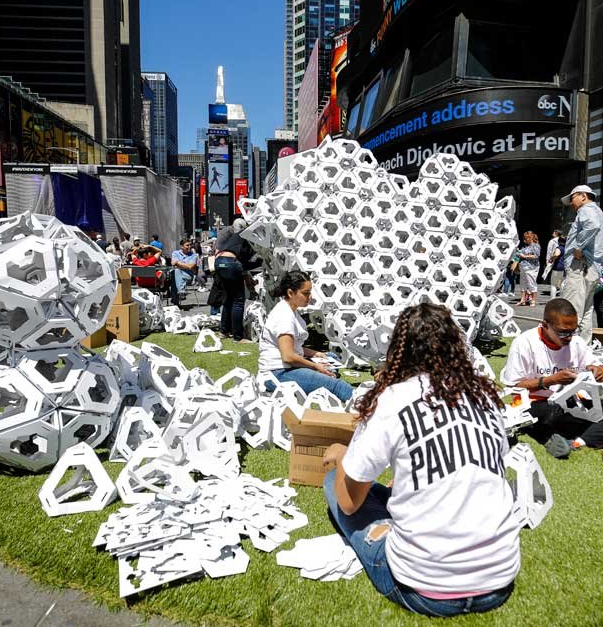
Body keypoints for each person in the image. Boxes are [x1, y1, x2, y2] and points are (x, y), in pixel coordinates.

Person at [321, 302, 520, 616]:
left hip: (422, 588)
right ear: (456, 345)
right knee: (379, 490)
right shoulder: (484, 397)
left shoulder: (393, 400)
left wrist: (343, 456)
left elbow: (348, 503)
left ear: (399, 349)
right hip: (499, 581)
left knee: (336, 483)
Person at [500, 298, 603, 458]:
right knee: (555, 415)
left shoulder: (576, 343)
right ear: (545, 325)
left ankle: (579, 440)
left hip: (575, 403)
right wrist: (551, 380)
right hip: (537, 403)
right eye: (563, 332)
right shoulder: (524, 342)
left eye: (573, 331)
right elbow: (513, 386)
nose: (569, 337)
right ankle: (588, 431)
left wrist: (600, 371)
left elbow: (599, 368)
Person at [258, 271, 353, 401]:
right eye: (305, 293)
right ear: (291, 293)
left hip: (286, 367)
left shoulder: (290, 311)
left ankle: (323, 378)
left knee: (331, 357)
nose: (310, 297)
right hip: (278, 373)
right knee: (338, 386)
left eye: (309, 292)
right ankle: (367, 405)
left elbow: (294, 346)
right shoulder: (284, 317)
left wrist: (315, 353)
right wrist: (315, 366)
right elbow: (288, 356)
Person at [559, 184, 603, 342]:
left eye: (572, 198)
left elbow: (591, 225)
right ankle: (583, 346)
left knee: (571, 307)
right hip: (591, 267)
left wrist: (578, 247)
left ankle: (568, 348)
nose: (571, 203)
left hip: (580, 267)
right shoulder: (596, 211)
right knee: (585, 309)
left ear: (583, 196)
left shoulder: (586, 210)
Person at [215, 217, 260, 342]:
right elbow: (243, 263)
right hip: (231, 263)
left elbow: (242, 265)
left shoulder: (235, 236)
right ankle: (238, 337)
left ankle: (224, 331)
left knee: (229, 299)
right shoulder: (249, 237)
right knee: (238, 301)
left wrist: (246, 276)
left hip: (219, 262)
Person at [170, 238, 200, 305]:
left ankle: (176, 299)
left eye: (190, 245)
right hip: (177, 275)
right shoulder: (175, 253)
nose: (189, 247)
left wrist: (178, 263)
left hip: (188, 276)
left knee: (176, 272)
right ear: (181, 246)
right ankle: (180, 292)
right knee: (175, 273)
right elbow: (172, 263)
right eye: (187, 245)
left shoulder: (194, 255)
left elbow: (190, 267)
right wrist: (186, 265)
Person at [516, 231, 540, 306]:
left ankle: (533, 300)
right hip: (523, 266)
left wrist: (524, 256)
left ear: (530, 238)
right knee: (523, 283)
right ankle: (523, 300)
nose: (524, 240)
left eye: (526, 238)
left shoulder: (535, 245)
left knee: (531, 283)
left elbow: (536, 255)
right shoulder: (525, 246)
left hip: (531, 267)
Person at [542, 229, 561, 293]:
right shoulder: (561, 241)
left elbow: (549, 251)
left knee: (551, 273)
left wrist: (547, 260)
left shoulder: (552, 241)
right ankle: (558, 286)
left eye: (554, 232)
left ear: (556, 233)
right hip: (560, 258)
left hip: (552, 258)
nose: (552, 233)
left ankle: (555, 287)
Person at [548, 234, 566, 298]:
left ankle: (552, 299)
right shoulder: (567, 248)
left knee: (553, 284)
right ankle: (562, 298)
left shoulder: (559, 248)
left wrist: (551, 258)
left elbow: (556, 254)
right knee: (563, 284)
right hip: (565, 268)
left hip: (557, 267)